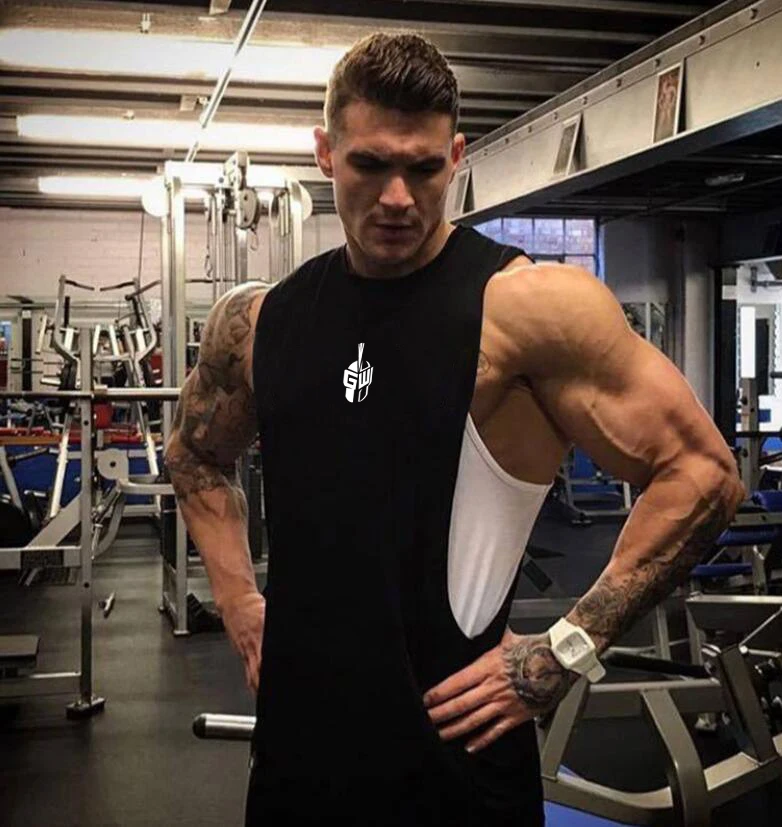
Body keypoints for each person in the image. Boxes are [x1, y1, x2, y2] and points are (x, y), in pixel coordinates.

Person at [165, 33, 744, 827]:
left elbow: (702, 474)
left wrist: (565, 647)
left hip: (454, 755)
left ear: (457, 157)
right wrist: (237, 600)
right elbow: (195, 456)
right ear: (325, 153)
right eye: (370, 164)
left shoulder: (527, 310)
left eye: (424, 168)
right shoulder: (261, 321)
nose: (397, 197)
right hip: (297, 750)